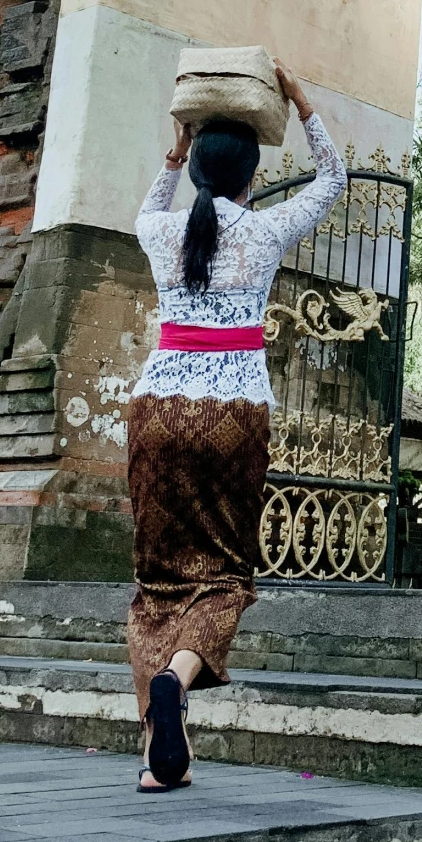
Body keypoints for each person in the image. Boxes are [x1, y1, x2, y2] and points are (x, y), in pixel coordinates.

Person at [127, 61, 345, 790]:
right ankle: (179, 681)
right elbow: (335, 179)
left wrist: (172, 150)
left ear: (192, 169)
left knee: (158, 580)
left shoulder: (160, 230)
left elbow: (149, 205)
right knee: (224, 577)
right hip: (234, 415)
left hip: (157, 410)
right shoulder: (265, 229)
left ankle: (158, 755)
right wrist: (303, 102)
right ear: (251, 178)